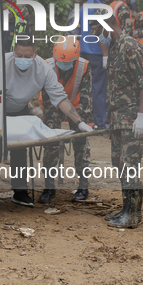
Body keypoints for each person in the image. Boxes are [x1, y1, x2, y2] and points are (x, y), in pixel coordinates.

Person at [0, 38, 93, 206]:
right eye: (19, 55)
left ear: (35, 54)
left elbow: (60, 98)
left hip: (20, 108)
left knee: (21, 145)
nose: (22, 59)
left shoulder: (43, 69)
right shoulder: (0, 64)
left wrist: (79, 121)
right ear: (14, 52)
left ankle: (20, 191)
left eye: (27, 56)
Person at [88, 9, 143, 229]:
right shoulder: (114, 47)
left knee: (130, 165)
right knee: (120, 164)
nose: (97, 34)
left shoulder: (130, 46)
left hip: (131, 118)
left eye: (97, 29)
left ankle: (134, 215)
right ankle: (126, 209)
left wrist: (141, 116)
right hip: (117, 118)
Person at [39, 37, 92, 202]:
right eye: (60, 61)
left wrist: (82, 122)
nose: (64, 64)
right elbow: (48, 101)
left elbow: (86, 97)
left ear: (76, 59)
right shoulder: (46, 65)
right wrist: (53, 127)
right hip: (52, 106)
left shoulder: (84, 67)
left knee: (81, 142)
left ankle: (83, 185)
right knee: (51, 142)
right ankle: (49, 186)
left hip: (75, 107)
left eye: (69, 62)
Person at [80, 0, 110, 130]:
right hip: (97, 53)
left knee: (85, 88)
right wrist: (105, 54)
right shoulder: (101, 7)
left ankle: (82, 120)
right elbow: (100, 31)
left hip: (84, 51)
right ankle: (100, 123)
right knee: (99, 88)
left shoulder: (84, 6)